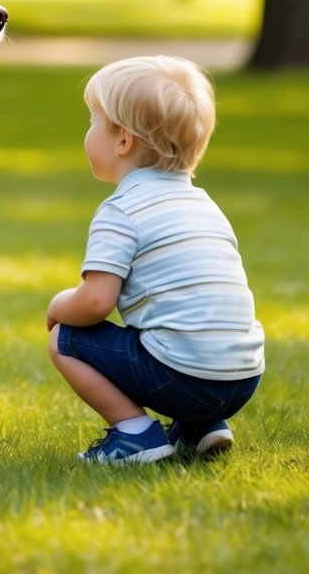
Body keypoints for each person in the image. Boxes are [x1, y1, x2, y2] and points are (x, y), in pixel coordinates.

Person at [46, 55, 264, 464]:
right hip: (242, 377)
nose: (87, 132)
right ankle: (202, 425)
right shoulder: (204, 205)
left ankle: (135, 436)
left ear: (123, 141)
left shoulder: (122, 210)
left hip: (187, 377)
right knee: (174, 338)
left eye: (92, 122)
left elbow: (95, 302)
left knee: (65, 339)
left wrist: (59, 305)